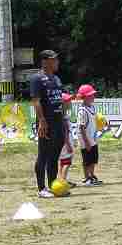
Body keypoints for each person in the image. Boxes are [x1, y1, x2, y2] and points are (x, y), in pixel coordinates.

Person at [31, 50, 65, 198]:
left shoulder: (56, 78)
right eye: (54, 59)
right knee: (43, 154)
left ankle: (53, 186)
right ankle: (41, 188)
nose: (57, 62)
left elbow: (59, 100)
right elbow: (36, 101)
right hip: (46, 122)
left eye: (56, 59)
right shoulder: (37, 78)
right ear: (45, 62)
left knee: (54, 156)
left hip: (58, 121)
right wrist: (42, 120)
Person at [76, 84, 101, 186]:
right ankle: (86, 177)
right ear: (84, 97)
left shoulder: (92, 107)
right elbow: (81, 127)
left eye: (93, 95)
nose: (93, 97)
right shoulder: (82, 111)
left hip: (93, 137)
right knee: (87, 159)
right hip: (85, 139)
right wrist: (86, 142)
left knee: (93, 158)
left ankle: (92, 175)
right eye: (90, 95)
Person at [57, 93, 76, 187]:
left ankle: (60, 179)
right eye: (68, 101)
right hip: (65, 143)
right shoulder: (63, 117)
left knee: (62, 162)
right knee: (67, 163)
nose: (70, 102)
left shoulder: (61, 115)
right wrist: (68, 144)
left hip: (62, 143)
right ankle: (63, 181)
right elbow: (65, 132)